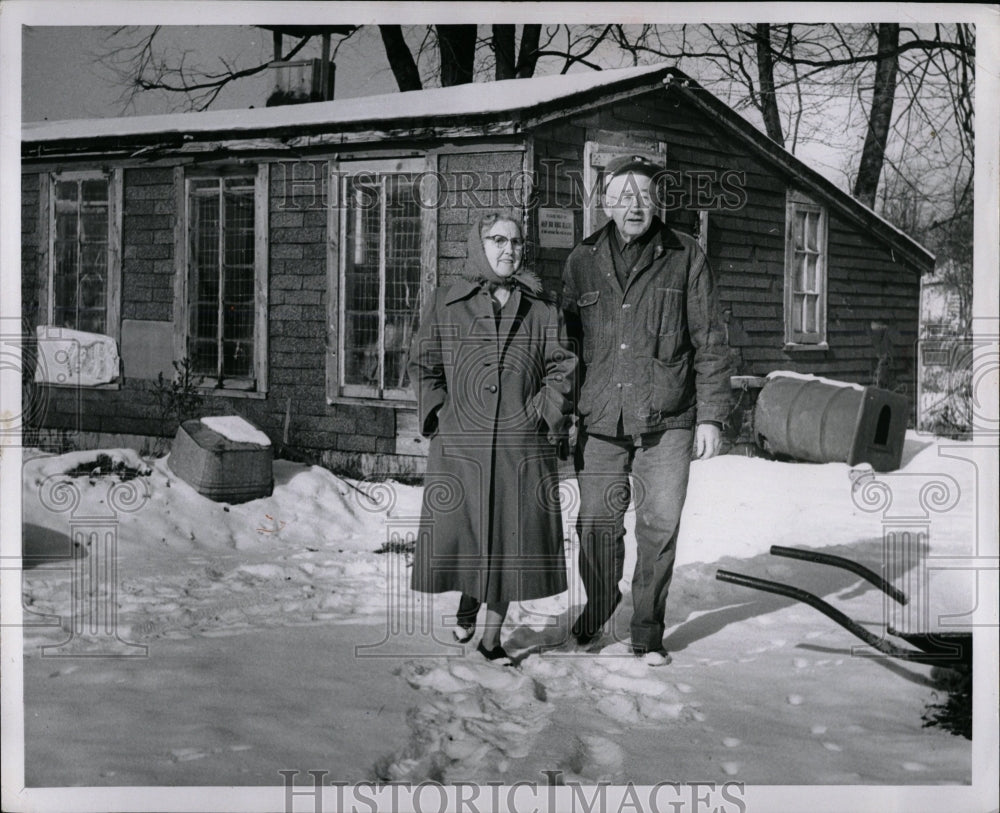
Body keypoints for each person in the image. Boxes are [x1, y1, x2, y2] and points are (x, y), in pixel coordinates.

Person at [561, 155, 732, 666]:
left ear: (657, 200)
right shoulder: (581, 260)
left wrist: (711, 416)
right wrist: (560, 413)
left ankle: (646, 631)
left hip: (669, 417)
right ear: (607, 203)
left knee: (658, 526)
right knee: (594, 524)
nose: (634, 204)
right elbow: (566, 348)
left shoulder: (685, 254)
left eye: (644, 194)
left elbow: (711, 339)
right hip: (601, 417)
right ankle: (599, 602)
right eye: (623, 195)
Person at [409, 213, 577, 665]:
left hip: (519, 447)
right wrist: (441, 413)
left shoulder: (541, 308)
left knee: (509, 541)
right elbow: (424, 365)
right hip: (461, 446)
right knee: (468, 533)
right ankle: (468, 602)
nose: (508, 249)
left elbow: (563, 366)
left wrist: (543, 412)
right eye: (497, 240)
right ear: (477, 245)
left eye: (516, 242)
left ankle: (490, 638)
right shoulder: (447, 302)